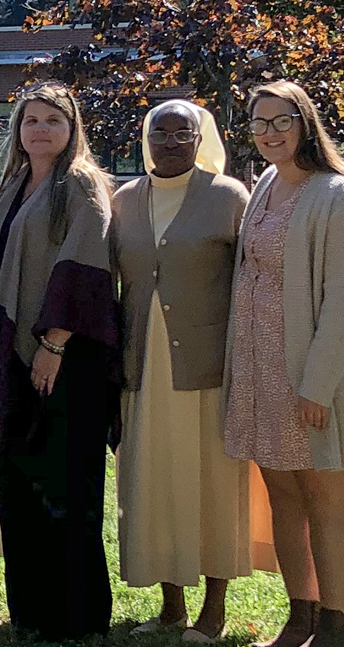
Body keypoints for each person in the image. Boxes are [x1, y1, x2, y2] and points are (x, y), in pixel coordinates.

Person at [223, 81, 344, 647]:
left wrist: (316, 386)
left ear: (305, 121)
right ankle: (302, 618)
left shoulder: (341, 196)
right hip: (261, 373)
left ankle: (336, 630)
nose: (270, 133)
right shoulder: (265, 185)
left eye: (281, 120)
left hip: (318, 378)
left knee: (327, 502)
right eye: (259, 123)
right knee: (285, 499)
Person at [0, 82, 120, 641]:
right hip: (18, 354)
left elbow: (84, 267)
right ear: (17, 128)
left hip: (65, 355)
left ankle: (76, 616)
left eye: (52, 121)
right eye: (30, 120)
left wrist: (54, 344)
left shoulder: (81, 183)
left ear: (71, 129)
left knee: (65, 484)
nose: (40, 129)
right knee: (21, 483)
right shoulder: (13, 184)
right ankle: (32, 612)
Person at [111, 100, 253, 642]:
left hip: (208, 368)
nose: (169, 142)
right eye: (159, 133)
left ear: (200, 139)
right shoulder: (124, 201)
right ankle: (171, 606)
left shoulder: (228, 197)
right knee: (153, 484)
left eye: (181, 133)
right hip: (142, 369)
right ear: (145, 140)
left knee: (212, 485)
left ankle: (213, 610)